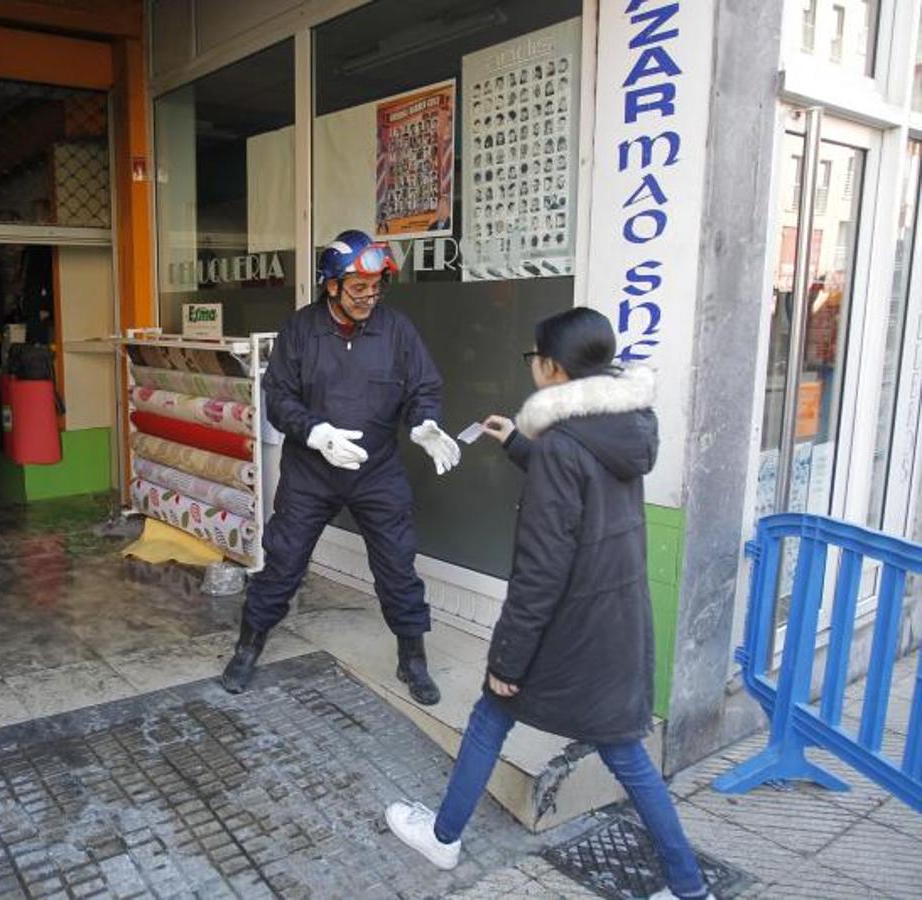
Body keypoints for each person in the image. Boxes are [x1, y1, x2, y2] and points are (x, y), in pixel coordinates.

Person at [383, 308, 712, 900]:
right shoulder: (623, 425)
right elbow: (586, 486)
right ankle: (689, 886)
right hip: (616, 620)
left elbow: (541, 568)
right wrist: (517, 443)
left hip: (569, 625)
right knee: (624, 751)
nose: (532, 365)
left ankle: (443, 837)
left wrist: (508, 657)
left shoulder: (562, 445)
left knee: (492, 711)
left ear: (553, 368)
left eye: (535, 357)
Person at [220, 229, 462, 706]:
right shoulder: (299, 330)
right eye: (358, 288)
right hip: (312, 472)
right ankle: (248, 646)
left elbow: (423, 387)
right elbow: (278, 396)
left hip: (377, 470)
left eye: (376, 287)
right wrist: (316, 433)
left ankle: (412, 658)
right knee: (284, 560)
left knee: (397, 565)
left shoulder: (397, 330)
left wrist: (425, 422)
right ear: (331, 285)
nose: (369, 297)